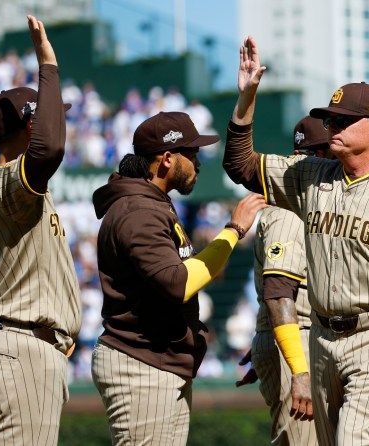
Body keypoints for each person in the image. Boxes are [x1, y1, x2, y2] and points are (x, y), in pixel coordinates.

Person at [224, 36, 369, 446]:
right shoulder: (313, 175)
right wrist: (247, 97)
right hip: (320, 340)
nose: (333, 128)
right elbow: (239, 165)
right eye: (331, 121)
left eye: (344, 121)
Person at [91, 111, 267, 446]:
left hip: (156, 361)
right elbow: (178, 284)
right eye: (192, 154)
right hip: (141, 363)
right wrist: (233, 231)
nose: (199, 163)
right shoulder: (139, 212)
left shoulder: (153, 204)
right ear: (168, 158)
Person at [0, 16, 81, 445]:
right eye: (51, 117)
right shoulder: (3, 186)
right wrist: (47, 62)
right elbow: (50, 148)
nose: (60, 122)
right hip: (20, 351)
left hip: (17, 346)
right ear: (31, 128)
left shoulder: (11, 192)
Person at [236, 116, 332, 445]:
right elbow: (278, 292)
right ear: (321, 155)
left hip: (290, 340)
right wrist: (294, 368)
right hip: (296, 345)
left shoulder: (302, 199)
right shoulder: (291, 204)